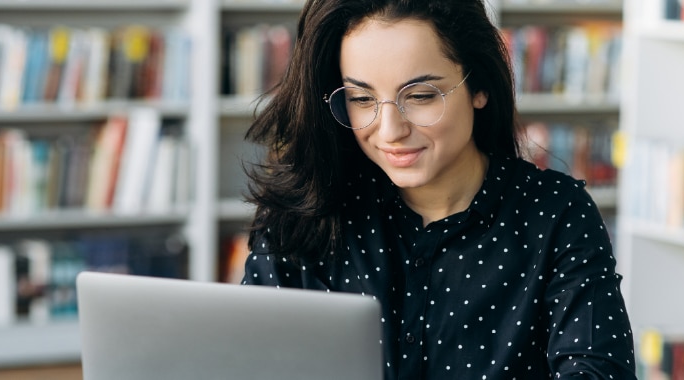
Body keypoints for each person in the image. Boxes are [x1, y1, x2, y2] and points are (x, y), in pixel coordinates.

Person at [240, 0, 637, 378]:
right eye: (362, 99)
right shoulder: (298, 213)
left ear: (478, 86)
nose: (390, 131)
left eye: (420, 96)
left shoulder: (556, 214)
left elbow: (598, 370)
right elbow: (247, 364)